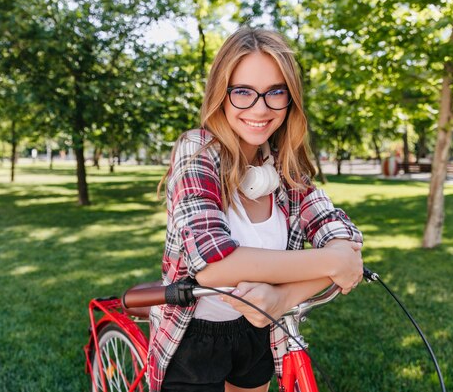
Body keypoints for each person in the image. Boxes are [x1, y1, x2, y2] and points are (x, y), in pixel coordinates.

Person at [149, 28, 364, 392]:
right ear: (222, 94)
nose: (260, 108)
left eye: (275, 92)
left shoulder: (283, 165)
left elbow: (344, 241)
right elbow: (213, 265)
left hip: (258, 329)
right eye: (244, 92)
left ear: (290, 98)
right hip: (192, 336)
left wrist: (283, 297)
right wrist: (332, 262)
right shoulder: (196, 151)